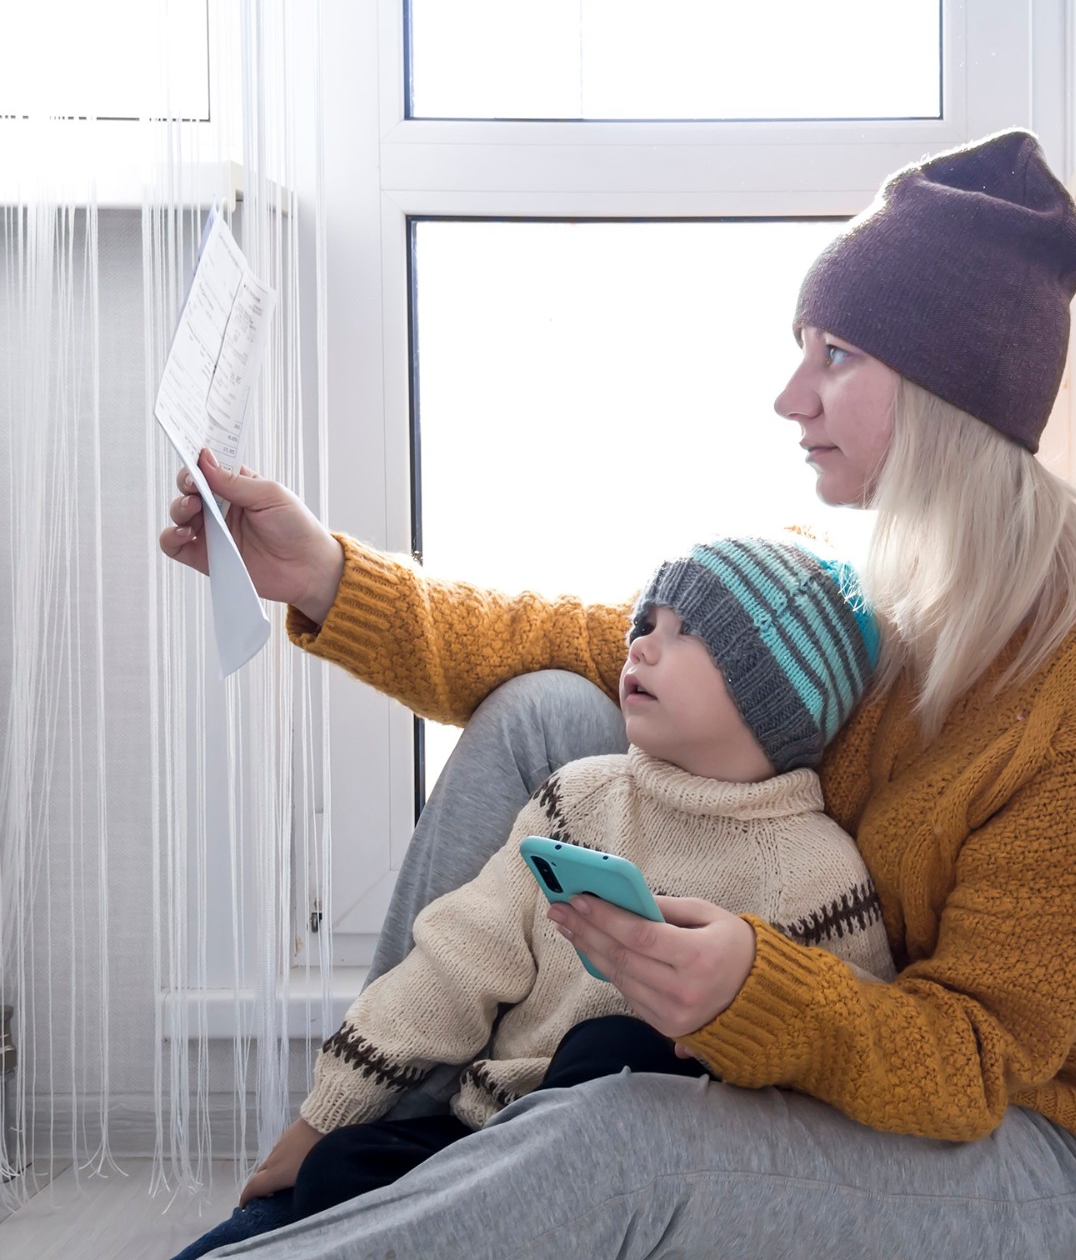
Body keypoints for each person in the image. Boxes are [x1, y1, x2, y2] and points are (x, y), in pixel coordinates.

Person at [160, 128, 1076, 1260]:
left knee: (625, 1137)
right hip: (838, 1053)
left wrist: (757, 986)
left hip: (1027, 1138)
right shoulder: (864, 578)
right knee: (545, 708)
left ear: (948, 385)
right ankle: (374, 1143)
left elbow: (975, 1060)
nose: (788, 395)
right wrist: (323, 576)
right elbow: (563, 642)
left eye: (836, 354)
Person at [168, 535, 897, 1260]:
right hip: (495, 1133)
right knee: (339, 1171)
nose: (640, 646)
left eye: (687, 634)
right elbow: (457, 959)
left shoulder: (818, 875)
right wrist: (326, 1115)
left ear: (773, 695)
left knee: (615, 1048)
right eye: (646, 625)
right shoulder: (580, 797)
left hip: (653, 1171)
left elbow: (843, 1065)